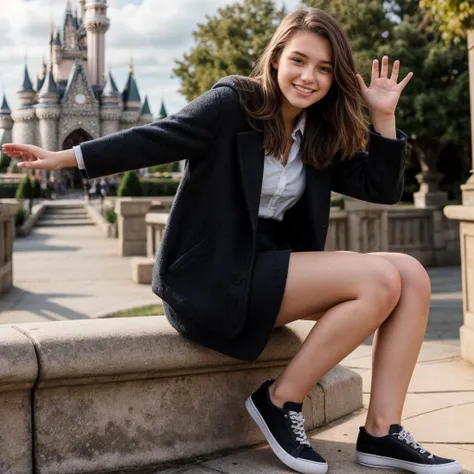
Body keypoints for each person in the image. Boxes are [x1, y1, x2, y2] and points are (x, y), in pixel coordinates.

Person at [2, 8, 462, 474]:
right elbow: (156, 137)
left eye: (324, 69)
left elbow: (381, 189)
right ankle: (280, 401)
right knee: (381, 279)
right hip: (213, 276)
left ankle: (382, 432)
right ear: (277, 57)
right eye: (299, 60)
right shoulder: (234, 104)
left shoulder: (318, 129)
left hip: (267, 269)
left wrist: (383, 117)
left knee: (411, 275)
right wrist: (64, 158)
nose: (309, 77)